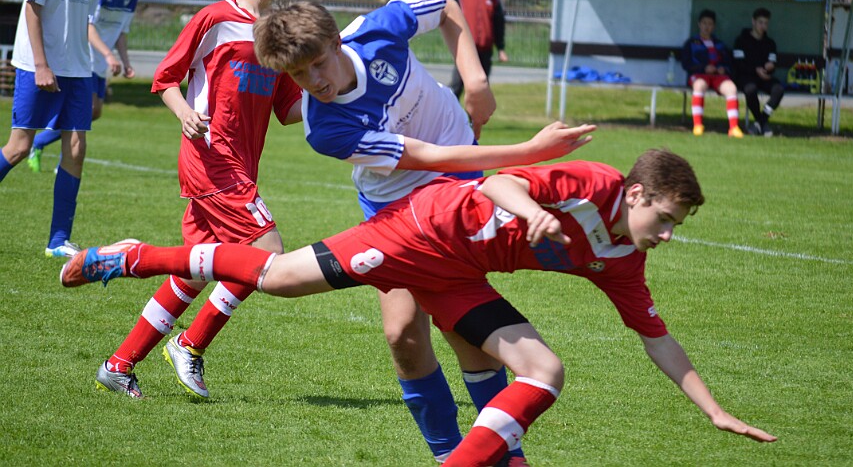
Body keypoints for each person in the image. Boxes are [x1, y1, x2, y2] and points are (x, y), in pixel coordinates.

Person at [62, 149, 778, 465]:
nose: (668, 234)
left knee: (544, 371)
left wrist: (713, 410)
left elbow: (656, 337)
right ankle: (134, 257)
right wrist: (532, 211)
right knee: (275, 278)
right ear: (640, 194)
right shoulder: (593, 184)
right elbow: (496, 183)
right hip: (419, 232)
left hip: (459, 274)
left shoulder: (625, 259)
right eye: (667, 218)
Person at [252, 0, 592, 465]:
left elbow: (448, 8)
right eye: (296, 75)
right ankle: (456, 454)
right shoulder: (325, 127)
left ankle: (497, 454)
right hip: (395, 204)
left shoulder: (379, 29)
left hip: (456, 182)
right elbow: (428, 156)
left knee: (461, 328)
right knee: (403, 337)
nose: (314, 82)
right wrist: (529, 151)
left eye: (317, 64)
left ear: (336, 41)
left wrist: (476, 82)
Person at [91, 0, 304, 400]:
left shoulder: (279, 32)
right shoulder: (215, 18)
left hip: (241, 165)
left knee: (193, 270)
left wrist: (335, 95)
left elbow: (289, 109)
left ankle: (118, 365)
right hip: (211, 158)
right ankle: (190, 344)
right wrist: (186, 113)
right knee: (267, 253)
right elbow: (166, 78)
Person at [0, 0, 112, 257]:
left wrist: (95, 61)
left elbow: (85, 17)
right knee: (19, 148)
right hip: (37, 65)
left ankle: (58, 240)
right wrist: (42, 65)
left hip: (77, 69)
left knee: (76, 149)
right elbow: (32, 8)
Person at [27, 0, 145, 172]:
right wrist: (108, 55)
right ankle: (59, 157)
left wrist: (126, 61)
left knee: (94, 113)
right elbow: (87, 26)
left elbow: (122, 31)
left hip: (101, 62)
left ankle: (40, 142)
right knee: (84, 113)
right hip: (85, 58)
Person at [447, 0, 508, 99]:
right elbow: (446, 15)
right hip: (466, 49)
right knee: (457, 84)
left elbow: (499, 25)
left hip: (485, 50)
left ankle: (473, 114)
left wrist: (501, 49)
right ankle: (447, 111)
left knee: (481, 88)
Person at [681, 9, 743, 138]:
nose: (707, 27)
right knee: (699, 85)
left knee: (731, 88)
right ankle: (698, 125)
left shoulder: (720, 44)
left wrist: (723, 69)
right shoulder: (691, 43)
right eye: (704, 23)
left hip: (718, 76)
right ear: (699, 24)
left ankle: (733, 127)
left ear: (714, 26)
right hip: (699, 75)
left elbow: (729, 63)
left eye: (710, 24)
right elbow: (686, 64)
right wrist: (704, 68)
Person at [732, 8, 784, 137]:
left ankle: (760, 122)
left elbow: (773, 62)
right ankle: (762, 122)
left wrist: (770, 67)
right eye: (760, 22)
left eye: (766, 23)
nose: (763, 26)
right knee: (750, 90)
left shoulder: (770, 43)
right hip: (746, 76)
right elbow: (739, 64)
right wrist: (756, 70)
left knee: (778, 89)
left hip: (764, 78)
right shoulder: (741, 41)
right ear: (753, 22)